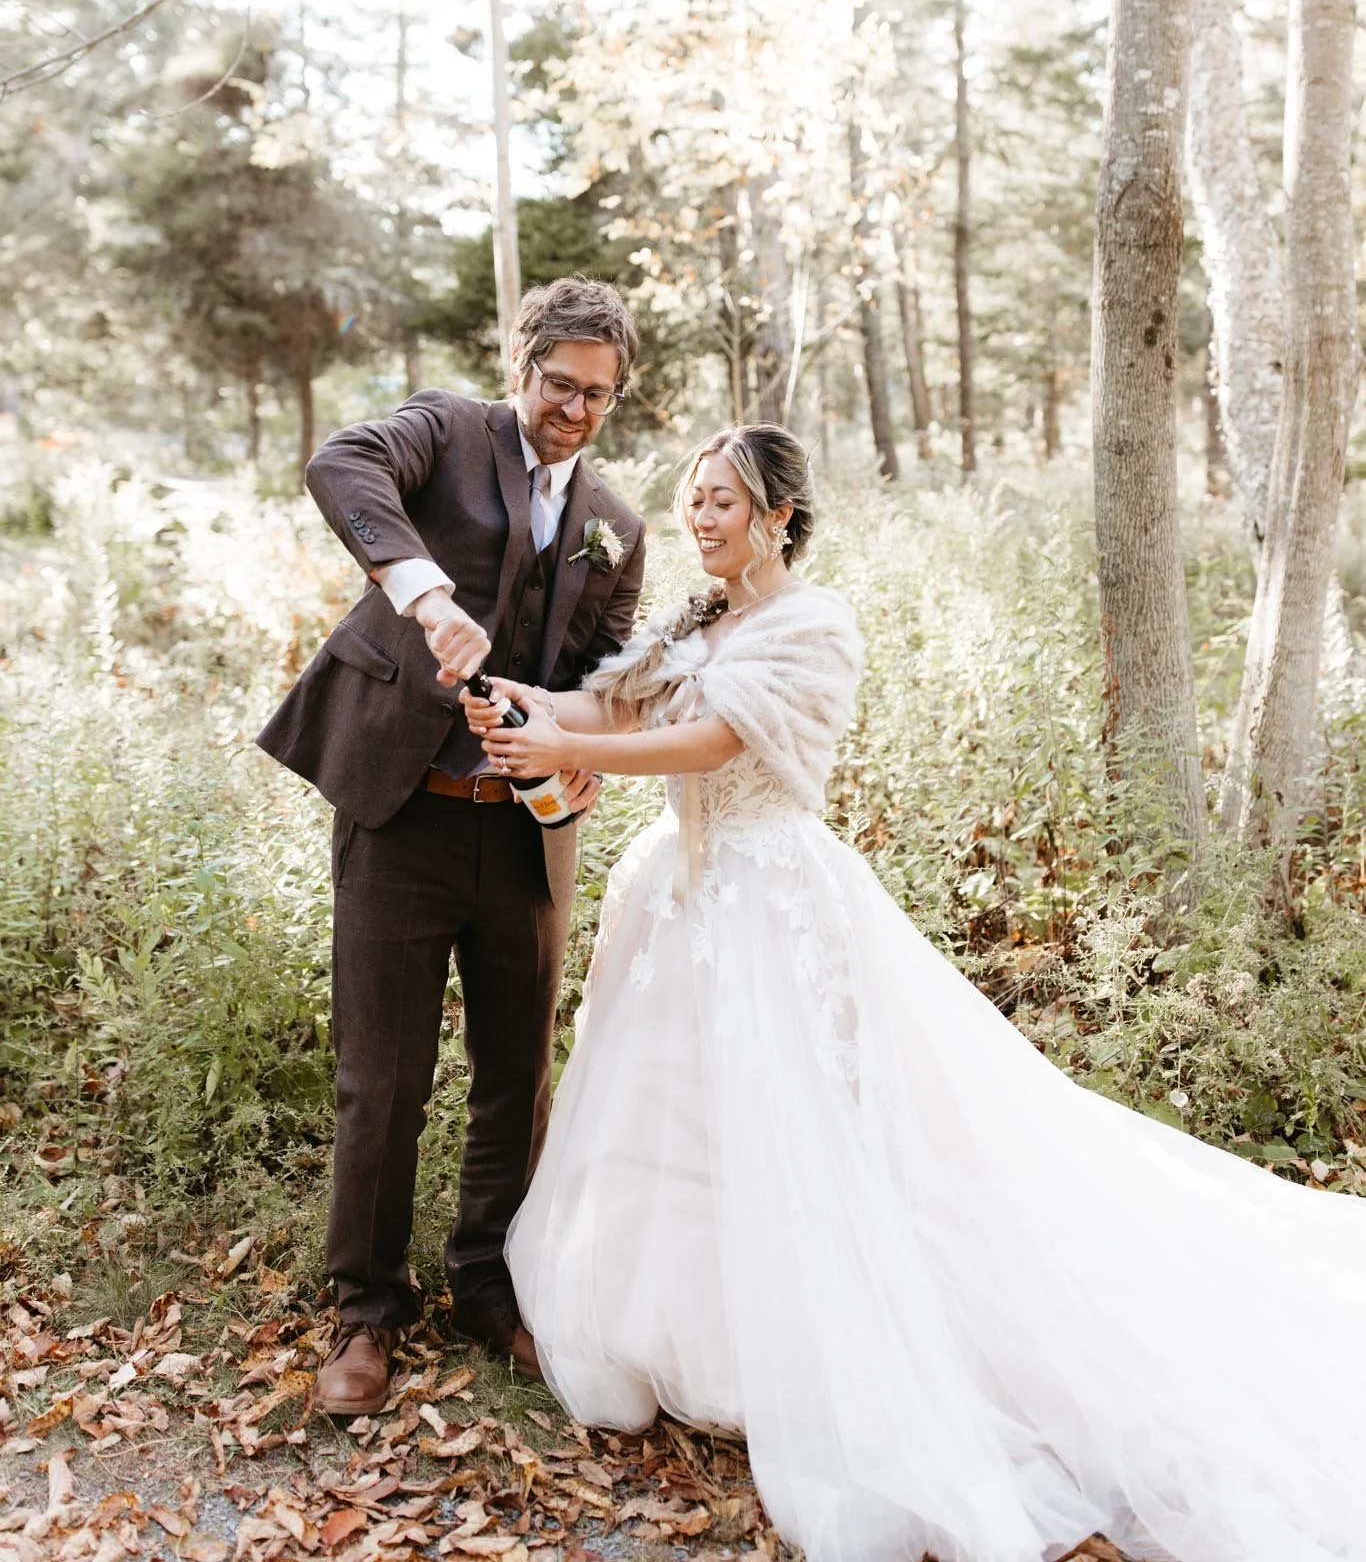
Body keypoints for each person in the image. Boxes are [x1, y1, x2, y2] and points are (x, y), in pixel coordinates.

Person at [466, 422, 1366, 1562]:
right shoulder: (692, 618)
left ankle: (826, 1343)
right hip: (678, 902)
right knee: (670, 1114)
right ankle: (684, 1333)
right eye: (691, 500)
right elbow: (618, 709)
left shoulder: (812, 625)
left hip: (768, 902)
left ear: (777, 515)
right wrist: (526, 705)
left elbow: (707, 742)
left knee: (805, 1125)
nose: (698, 519)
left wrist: (554, 745)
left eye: (721, 503)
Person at [257, 277, 646, 1415]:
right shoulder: (445, 429)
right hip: (403, 811)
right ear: (519, 365)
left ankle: (490, 1286)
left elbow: (605, 674)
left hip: (526, 836)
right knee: (381, 1079)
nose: (574, 410)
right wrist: (424, 595)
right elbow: (341, 463)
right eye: (558, 384)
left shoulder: (617, 524)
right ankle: (367, 1309)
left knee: (517, 1073)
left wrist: (572, 745)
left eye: (597, 395)